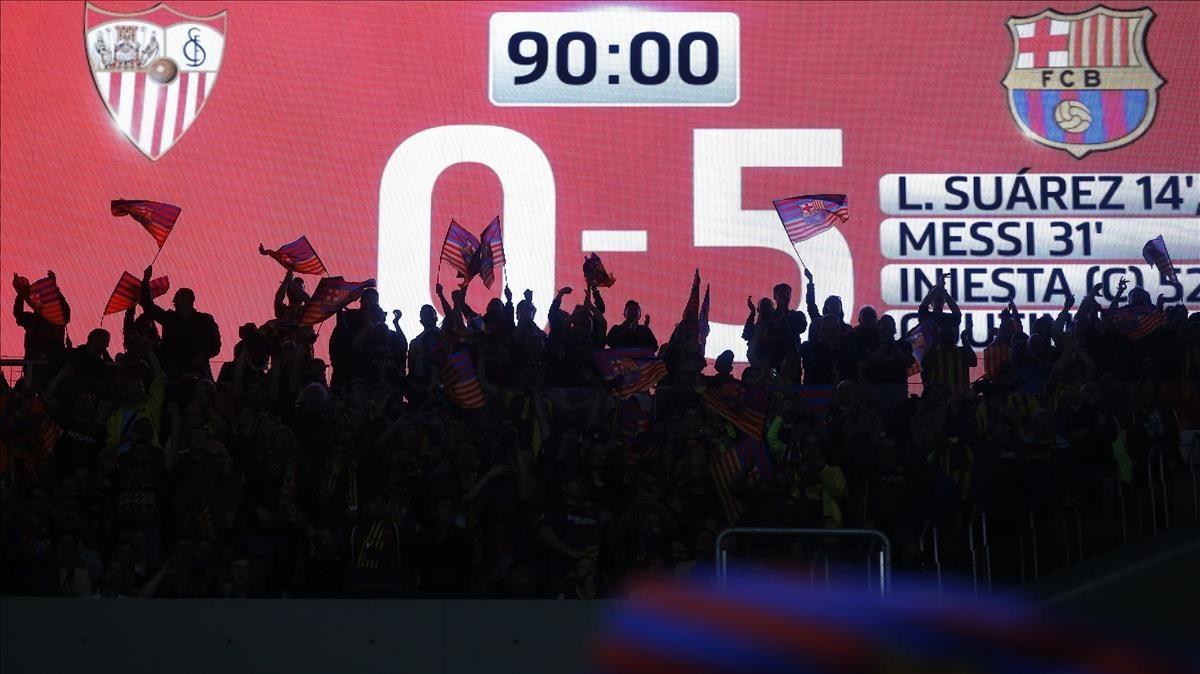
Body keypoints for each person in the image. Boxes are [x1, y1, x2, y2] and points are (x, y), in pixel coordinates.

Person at [139, 266, 221, 379]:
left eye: (177, 297)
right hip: (173, 370)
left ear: (188, 300)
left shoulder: (204, 320)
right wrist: (145, 281)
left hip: (196, 370)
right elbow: (149, 307)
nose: (174, 301)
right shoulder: (170, 318)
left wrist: (203, 356)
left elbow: (215, 345)